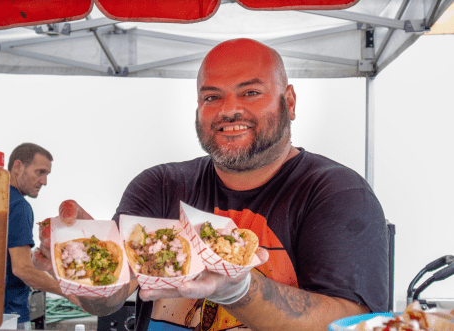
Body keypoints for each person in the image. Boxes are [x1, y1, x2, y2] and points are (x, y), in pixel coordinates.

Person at [34, 38, 389, 331]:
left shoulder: (336, 193)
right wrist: (83, 263)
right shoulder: (160, 184)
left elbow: (354, 322)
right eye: (211, 97)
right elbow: (111, 297)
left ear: (290, 102)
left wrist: (239, 288)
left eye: (250, 92)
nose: (228, 110)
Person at [6, 143, 77, 329]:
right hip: (9, 317)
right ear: (18, 166)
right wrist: (69, 292)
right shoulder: (18, 206)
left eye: (47, 175)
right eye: (40, 172)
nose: (44, 181)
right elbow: (22, 268)